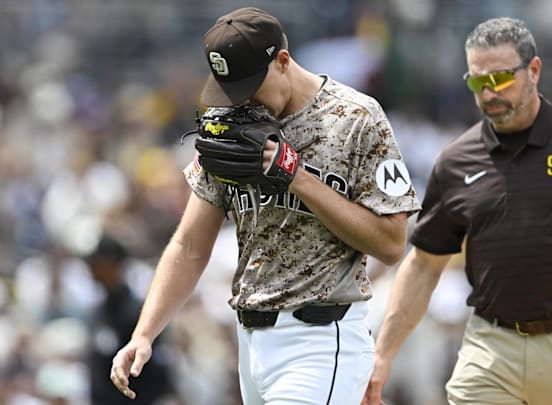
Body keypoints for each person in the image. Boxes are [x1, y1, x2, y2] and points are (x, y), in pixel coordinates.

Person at [110, 7, 421, 405]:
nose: (241, 100)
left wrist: (298, 177)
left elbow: (393, 244)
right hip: (251, 345)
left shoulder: (356, 119)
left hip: (320, 338)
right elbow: (189, 245)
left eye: (250, 85)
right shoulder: (231, 126)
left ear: (282, 62)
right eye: (230, 89)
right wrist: (144, 333)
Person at [363, 17, 552, 405]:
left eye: (502, 78)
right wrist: (382, 354)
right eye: (478, 82)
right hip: (491, 346)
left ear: (535, 71)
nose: (490, 92)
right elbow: (424, 264)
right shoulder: (456, 161)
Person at [85, 234, 174, 404]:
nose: (92, 269)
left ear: (114, 264)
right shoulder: (100, 310)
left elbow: (157, 371)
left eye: (98, 263)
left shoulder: (138, 313)